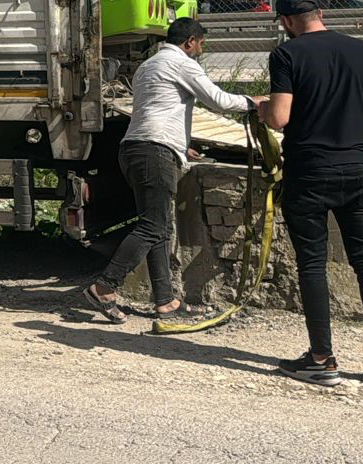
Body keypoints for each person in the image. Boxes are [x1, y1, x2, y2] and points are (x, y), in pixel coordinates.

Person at [260, 0, 363, 387]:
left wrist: (262, 108)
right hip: (356, 172)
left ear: (287, 22)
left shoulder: (286, 55)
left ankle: (322, 360)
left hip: (308, 174)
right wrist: (345, 117)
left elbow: (279, 118)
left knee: (312, 265)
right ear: (320, 13)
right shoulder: (360, 50)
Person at [82, 17, 258, 325]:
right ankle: (104, 286)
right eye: (200, 44)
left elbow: (160, 107)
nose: (200, 50)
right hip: (154, 151)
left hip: (135, 148)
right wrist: (255, 103)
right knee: (152, 227)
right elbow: (217, 100)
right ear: (190, 41)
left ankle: (165, 301)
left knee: (158, 228)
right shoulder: (181, 63)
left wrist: (181, 145)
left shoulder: (147, 67)